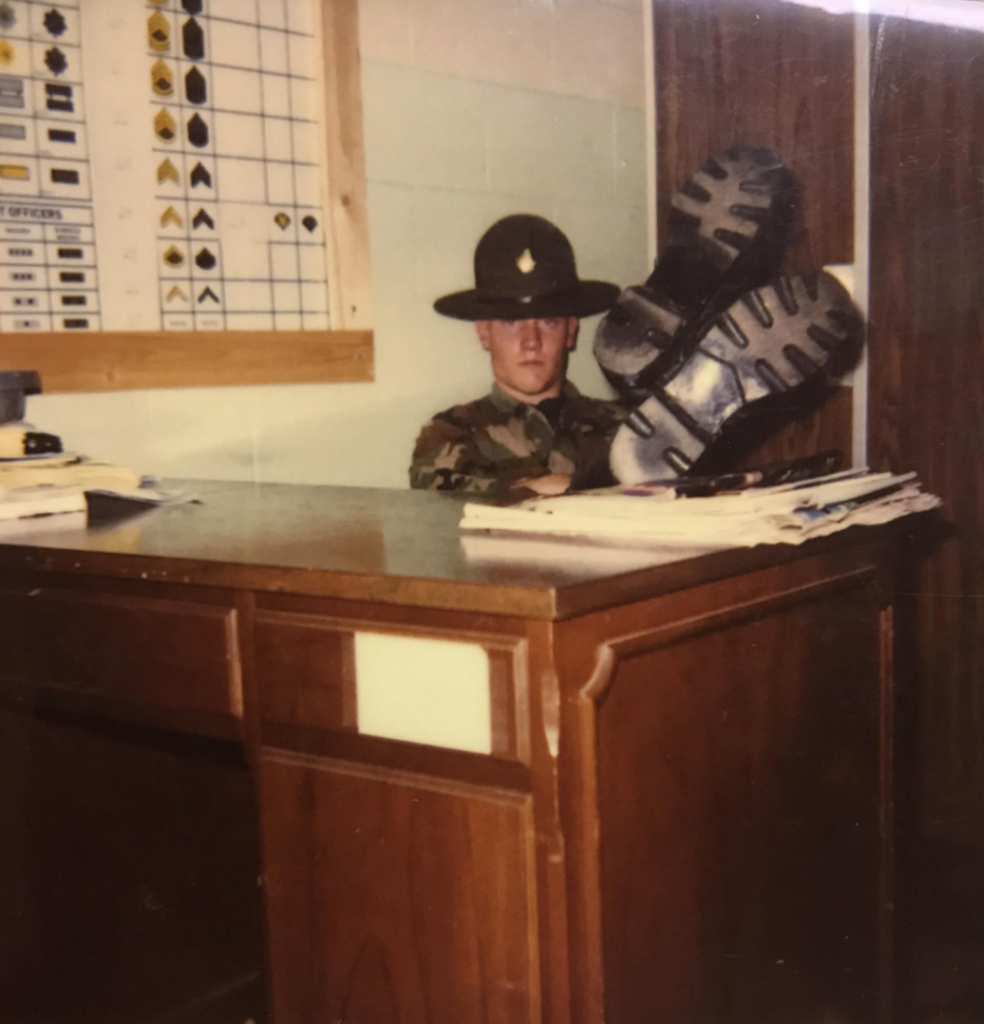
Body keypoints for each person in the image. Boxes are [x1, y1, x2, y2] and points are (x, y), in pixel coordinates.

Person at [409, 214, 624, 498]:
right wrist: (530, 490)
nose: (531, 342)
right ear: (484, 333)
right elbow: (435, 499)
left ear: (570, 331)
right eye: (511, 323)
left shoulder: (622, 429)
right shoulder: (453, 432)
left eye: (548, 322)